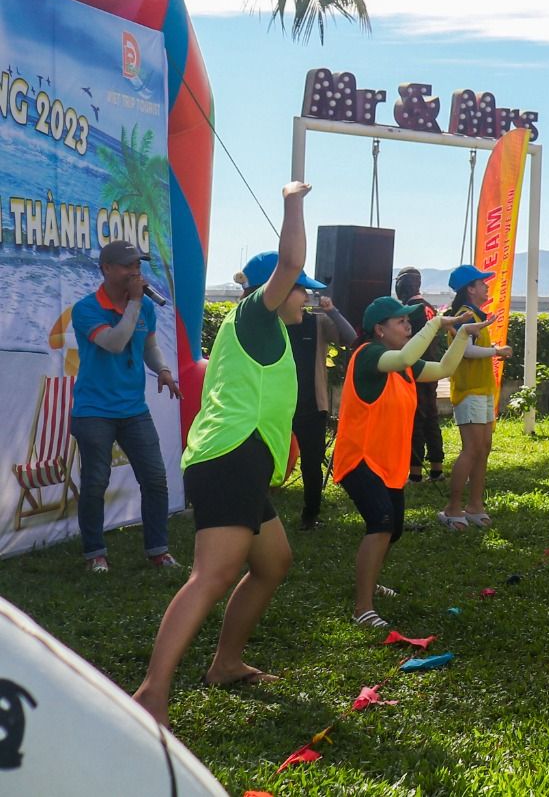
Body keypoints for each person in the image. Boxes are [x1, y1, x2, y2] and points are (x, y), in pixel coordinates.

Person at [133, 182, 313, 725]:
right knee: (212, 575)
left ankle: (226, 663)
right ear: (274, 290)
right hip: (229, 459)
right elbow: (290, 261)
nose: (307, 298)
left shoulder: (263, 330)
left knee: (273, 562)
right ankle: (151, 694)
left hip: (241, 461)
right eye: (302, 290)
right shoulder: (256, 315)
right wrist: (292, 201)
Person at [333, 297, 480, 630]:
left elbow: (443, 369)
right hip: (360, 459)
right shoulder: (369, 354)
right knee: (381, 523)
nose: (407, 324)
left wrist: (462, 335)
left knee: (393, 529)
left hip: (388, 463)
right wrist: (437, 323)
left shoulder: (404, 363)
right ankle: (362, 608)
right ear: (379, 329)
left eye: (408, 320)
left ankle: (371, 582)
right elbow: (404, 357)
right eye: (400, 321)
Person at [69, 239, 179, 572]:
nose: (135, 272)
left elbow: (149, 346)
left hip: (134, 409)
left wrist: (162, 369)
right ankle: (95, 554)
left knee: (155, 478)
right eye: (127, 266)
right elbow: (115, 343)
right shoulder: (86, 309)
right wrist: (134, 302)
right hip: (94, 411)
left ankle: (158, 550)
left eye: (138, 266)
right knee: (95, 483)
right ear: (106, 269)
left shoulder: (143, 307)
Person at [437, 263, 511, 530]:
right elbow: (466, 352)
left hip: (482, 390)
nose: (486, 286)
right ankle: (452, 508)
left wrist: (492, 348)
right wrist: (496, 352)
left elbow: (472, 347)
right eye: (481, 283)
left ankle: (475, 505)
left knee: (483, 448)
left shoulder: (474, 314)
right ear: (470, 289)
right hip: (469, 391)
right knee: (472, 449)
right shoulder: (465, 316)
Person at [286, 287, 354, 530]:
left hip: (312, 404)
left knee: (311, 462)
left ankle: (310, 514)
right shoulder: (272, 323)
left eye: (305, 293)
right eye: (300, 292)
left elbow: (350, 337)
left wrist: (332, 311)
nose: (305, 298)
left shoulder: (317, 322)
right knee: (264, 459)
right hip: (277, 404)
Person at [394, 267, 442, 483]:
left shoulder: (409, 310)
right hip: (431, 367)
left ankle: (415, 473)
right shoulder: (430, 308)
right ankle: (437, 468)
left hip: (415, 369)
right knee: (431, 417)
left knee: (416, 421)